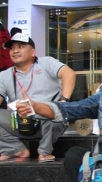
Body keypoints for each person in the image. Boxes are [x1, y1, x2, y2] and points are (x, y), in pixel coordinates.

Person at [0, 33, 75, 162]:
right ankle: (15, 149)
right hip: (20, 121)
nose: (15, 51)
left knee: (58, 113)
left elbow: (69, 74)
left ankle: (44, 151)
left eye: (21, 46)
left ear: (33, 51)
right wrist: (13, 106)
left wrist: (64, 102)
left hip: (48, 119)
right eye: (12, 48)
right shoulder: (5, 75)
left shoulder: (46, 62)